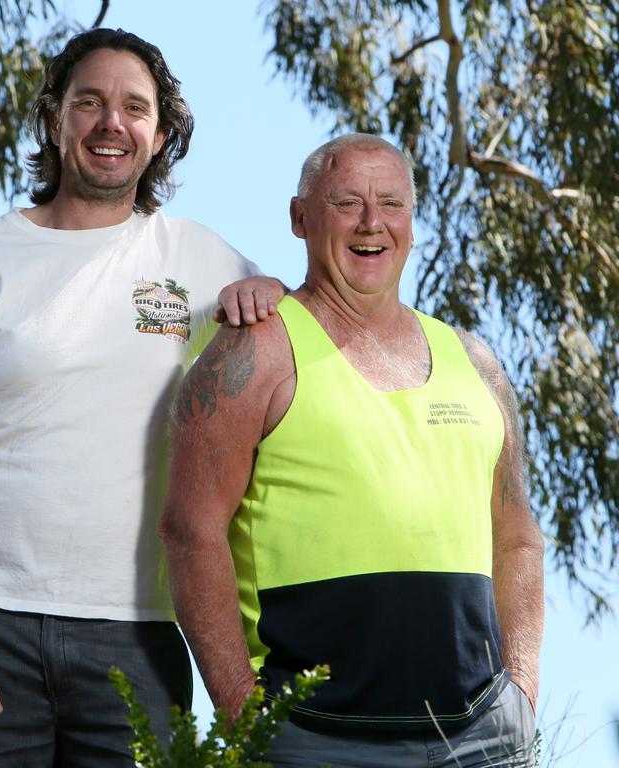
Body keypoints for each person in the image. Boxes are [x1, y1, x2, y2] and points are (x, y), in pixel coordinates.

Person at [0, 27, 282, 767]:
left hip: (141, 634)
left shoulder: (204, 259)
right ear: (55, 118)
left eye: (134, 107)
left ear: (161, 135)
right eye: (89, 102)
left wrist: (270, 293)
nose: (110, 123)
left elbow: (287, 363)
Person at [160, 133, 544, 768]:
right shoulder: (253, 354)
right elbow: (188, 532)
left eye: (391, 204)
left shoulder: (476, 365)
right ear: (300, 218)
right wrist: (242, 713)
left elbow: (518, 537)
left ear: (413, 223)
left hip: (480, 739)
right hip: (311, 739)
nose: (373, 224)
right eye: (348, 202)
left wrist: (522, 691)